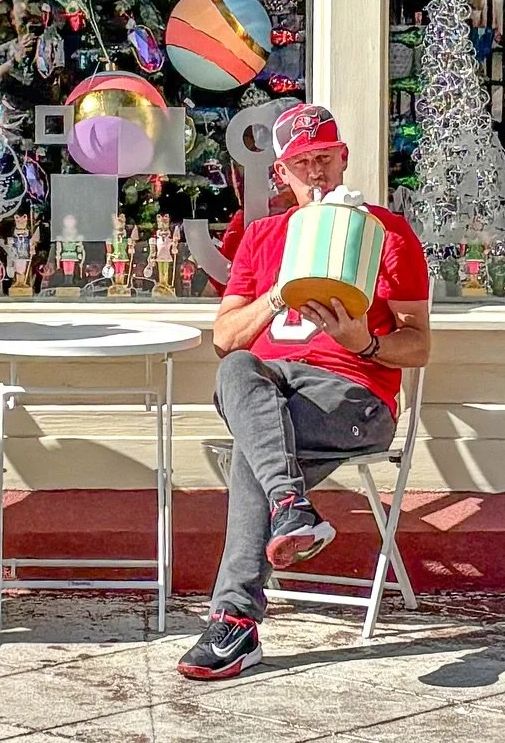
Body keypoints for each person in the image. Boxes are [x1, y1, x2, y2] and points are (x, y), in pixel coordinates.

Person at [178, 104, 431, 681]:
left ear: (344, 160)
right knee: (240, 369)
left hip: (354, 400)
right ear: (282, 176)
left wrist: (364, 342)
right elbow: (222, 339)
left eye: (325, 158)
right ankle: (283, 522)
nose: (316, 172)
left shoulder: (386, 232)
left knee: (256, 446)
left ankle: (239, 618)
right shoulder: (263, 236)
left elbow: (418, 347)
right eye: (302, 164)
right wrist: (277, 297)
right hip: (276, 396)